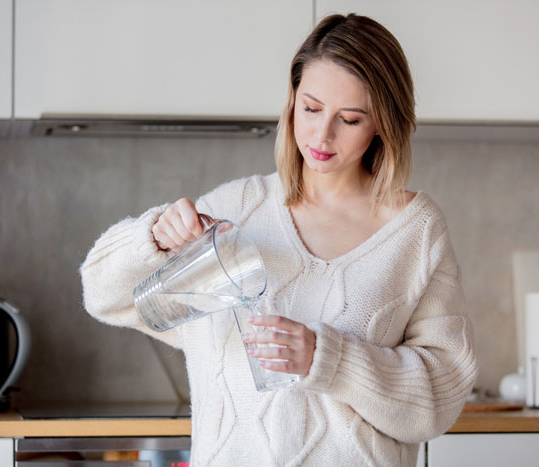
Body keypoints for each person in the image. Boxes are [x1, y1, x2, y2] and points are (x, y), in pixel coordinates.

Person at [80, 13, 477, 467]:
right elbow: (102, 295)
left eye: (349, 119)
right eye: (310, 108)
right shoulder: (237, 209)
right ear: (291, 101)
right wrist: (153, 236)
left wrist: (327, 359)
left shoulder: (414, 230)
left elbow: (440, 399)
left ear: (383, 123)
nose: (321, 135)